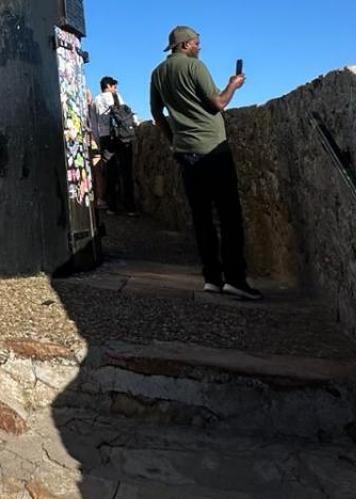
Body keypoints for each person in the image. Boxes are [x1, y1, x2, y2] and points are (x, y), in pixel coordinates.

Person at [149, 26, 260, 300]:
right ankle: (235, 279)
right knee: (229, 216)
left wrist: (173, 139)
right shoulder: (194, 67)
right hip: (212, 148)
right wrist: (233, 84)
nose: (200, 47)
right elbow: (218, 104)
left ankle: (212, 277)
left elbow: (156, 112)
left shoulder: (158, 73)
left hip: (185, 151)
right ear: (186, 45)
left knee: (202, 218)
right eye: (197, 43)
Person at [91, 76, 138, 213]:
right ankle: (130, 207)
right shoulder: (116, 97)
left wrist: (99, 142)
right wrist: (134, 125)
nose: (116, 89)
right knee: (126, 171)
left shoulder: (96, 100)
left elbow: (94, 125)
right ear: (109, 86)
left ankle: (112, 206)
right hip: (122, 137)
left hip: (106, 138)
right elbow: (126, 116)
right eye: (114, 86)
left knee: (110, 173)